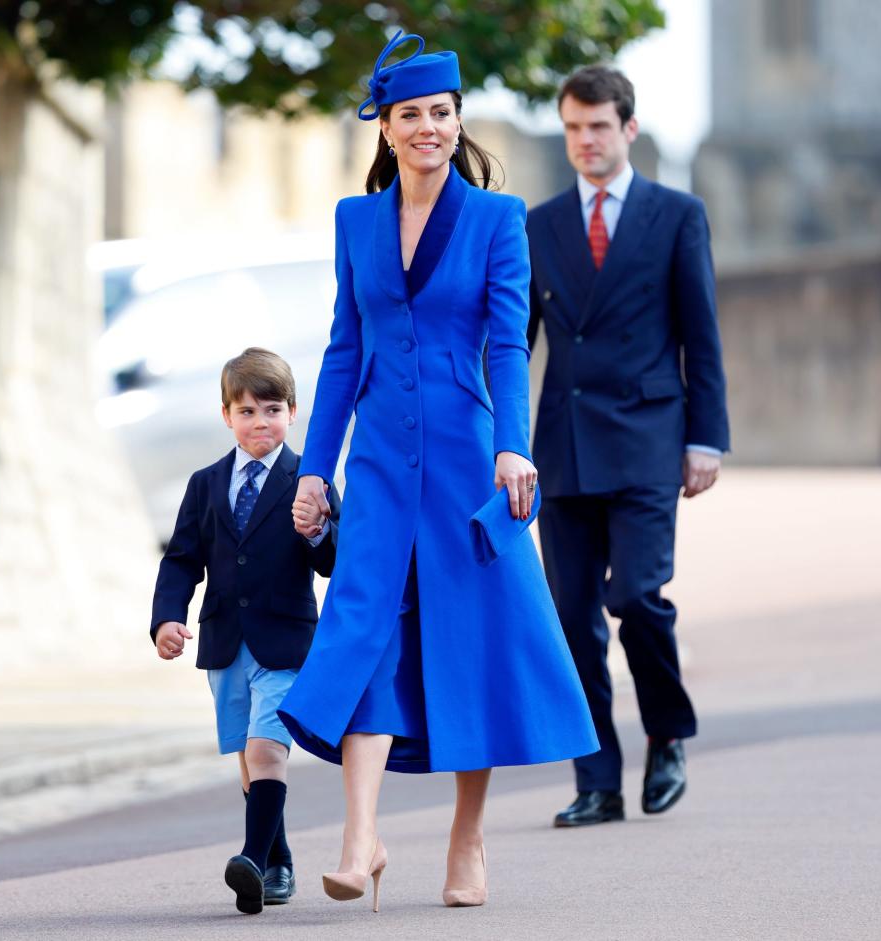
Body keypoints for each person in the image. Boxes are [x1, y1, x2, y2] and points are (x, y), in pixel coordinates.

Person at [278, 31, 598, 912]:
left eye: (442, 114)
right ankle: (360, 837)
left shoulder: (498, 221)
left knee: (471, 641)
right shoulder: (355, 220)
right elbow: (346, 349)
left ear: (459, 123)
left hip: (466, 459)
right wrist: (316, 467)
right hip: (380, 463)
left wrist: (513, 443)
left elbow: (505, 343)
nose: (428, 128)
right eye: (410, 114)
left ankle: (467, 836)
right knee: (364, 627)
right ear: (385, 128)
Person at [526, 66, 730, 828]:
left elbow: (701, 335)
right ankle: (598, 780)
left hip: (650, 437)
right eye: (574, 128)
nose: (585, 141)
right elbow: (517, 348)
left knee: (635, 598)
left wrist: (706, 436)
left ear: (628, 129)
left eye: (599, 127)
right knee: (571, 617)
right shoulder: (539, 224)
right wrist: (505, 444)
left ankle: (668, 731)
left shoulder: (677, 214)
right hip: (564, 445)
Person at [150, 348, 340, 914]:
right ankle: (277, 862)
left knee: (266, 749)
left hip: (285, 642)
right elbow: (181, 559)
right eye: (248, 411)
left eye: (273, 409)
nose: (261, 423)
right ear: (227, 415)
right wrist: (166, 617)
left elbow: (334, 561)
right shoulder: (205, 484)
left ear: (294, 411)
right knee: (247, 757)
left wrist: (317, 533)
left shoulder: (311, 480)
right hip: (224, 641)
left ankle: (253, 859)